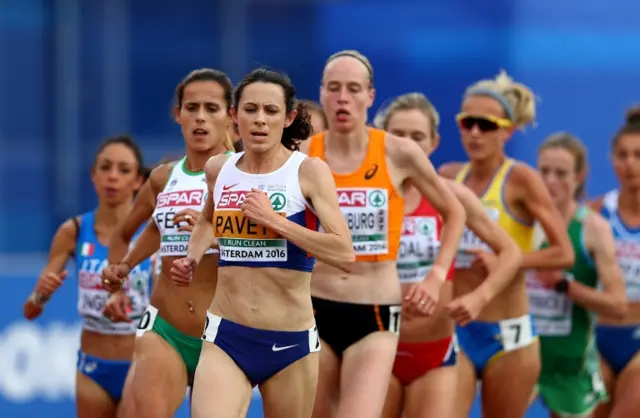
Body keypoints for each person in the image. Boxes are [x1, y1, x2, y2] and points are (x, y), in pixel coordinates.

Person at [170, 68, 354, 418]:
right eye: (250, 109)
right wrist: (192, 257)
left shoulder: (308, 172)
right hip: (226, 334)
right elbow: (209, 218)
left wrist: (275, 222)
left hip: (290, 341)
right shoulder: (218, 169)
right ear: (234, 116)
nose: (259, 120)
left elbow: (344, 252)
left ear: (288, 118)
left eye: (271, 111)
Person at [301, 50, 467, 418]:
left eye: (354, 89)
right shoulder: (301, 154)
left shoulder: (398, 152)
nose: (343, 97)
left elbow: (455, 212)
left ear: (370, 96)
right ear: (323, 93)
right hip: (313, 304)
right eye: (334, 88)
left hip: (375, 310)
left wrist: (436, 277)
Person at [374, 93, 522, 418]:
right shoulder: (365, 196)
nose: (409, 145)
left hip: (435, 352)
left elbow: (510, 252)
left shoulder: (452, 196)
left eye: (417, 137)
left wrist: (480, 297)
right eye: (399, 135)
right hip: (374, 349)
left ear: (434, 142)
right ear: (381, 138)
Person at [439, 70, 575, 418]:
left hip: (509, 333)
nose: (474, 133)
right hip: (459, 327)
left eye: (485, 125)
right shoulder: (448, 176)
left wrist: (508, 260)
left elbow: (563, 253)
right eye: (466, 122)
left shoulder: (520, 179)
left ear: (507, 131)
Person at [100, 68, 235, 418]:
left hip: (224, 336)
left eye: (212, 108)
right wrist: (121, 274)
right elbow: (138, 232)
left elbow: (274, 242)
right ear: (178, 115)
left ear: (230, 116)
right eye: (191, 108)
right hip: (166, 328)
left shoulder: (247, 174)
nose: (200, 117)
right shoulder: (163, 177)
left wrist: (212, 226)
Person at [22, 135, 152, 418]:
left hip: (144, 364)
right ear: (93, 176)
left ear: (139, 181)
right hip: (93, 367)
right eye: (105, 168)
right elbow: (31, 311)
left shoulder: (153, 233)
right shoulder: (74, 231)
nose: (112, 177)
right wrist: (40, 294)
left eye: (123, 170)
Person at [529, 132, 627, 418]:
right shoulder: (522, 222)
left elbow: (618, 305)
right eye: (544, 171)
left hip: (569, 365)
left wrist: (564, 285)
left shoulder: (592, 228)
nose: (549, 181)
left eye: (561, 173)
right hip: (522, 356)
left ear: (580, 176)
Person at [590, 107, 640, 418]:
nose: (630, 164)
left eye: (638, 154)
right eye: (622, 155)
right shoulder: (594, 214)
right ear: (611, 159)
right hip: (596, 338)